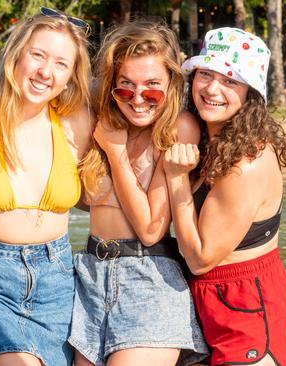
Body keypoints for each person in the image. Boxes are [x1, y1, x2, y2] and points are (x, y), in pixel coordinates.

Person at [0, 8, 93, 366]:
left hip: (56, 281)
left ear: (71, 75)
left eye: (60, 63)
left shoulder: (78, 123)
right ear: (17, 55)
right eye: (38, 56)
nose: (45, 72)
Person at [71, 21, 207, 366]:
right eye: (125, 86)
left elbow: (150, 229)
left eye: (152, 88)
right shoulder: (101, 121)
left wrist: (116, 154)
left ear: (171, 84)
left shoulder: (179, 128)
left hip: (148, 278)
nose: (138, 98)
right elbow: (82, 201)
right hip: (89, 275)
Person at [168, 27, 286, 365]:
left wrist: (177, 177)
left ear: (250, 94)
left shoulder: (247, 163)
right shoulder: (210, 142)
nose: (212, 89)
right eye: (206, 74)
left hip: (249, 309)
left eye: (230, 81)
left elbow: (200, 258)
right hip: (207, 303)